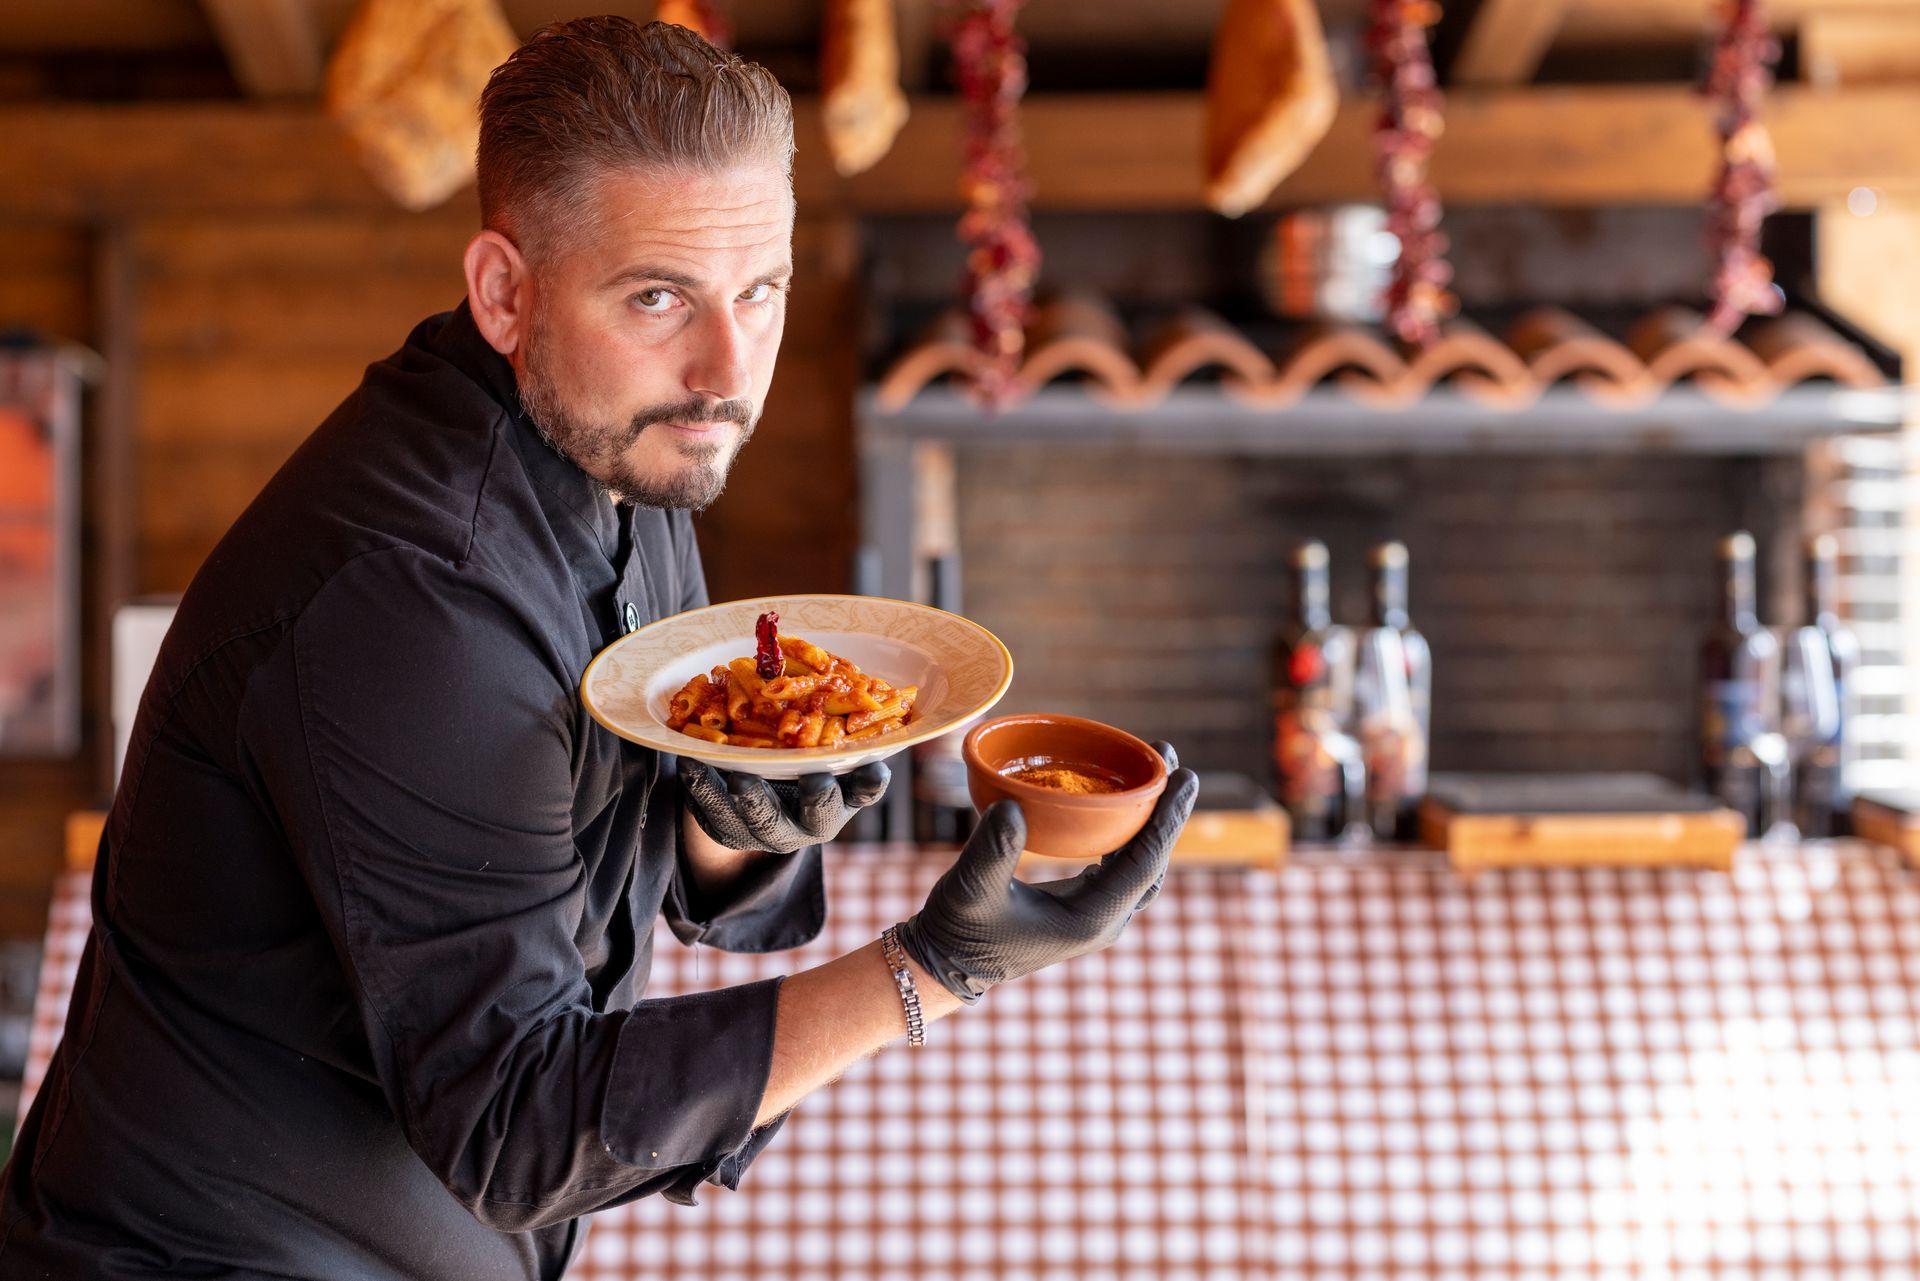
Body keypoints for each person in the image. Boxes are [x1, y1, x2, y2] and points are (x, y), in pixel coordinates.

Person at [0, 17, 1197, 1279]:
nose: (727, 370)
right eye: (660, 296)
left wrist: (735, 825)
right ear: (504, 292)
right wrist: (931, 969)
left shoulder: (618, 448)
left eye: (760, 290)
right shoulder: (413, 602)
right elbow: (515, 1124)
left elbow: (613, 870)